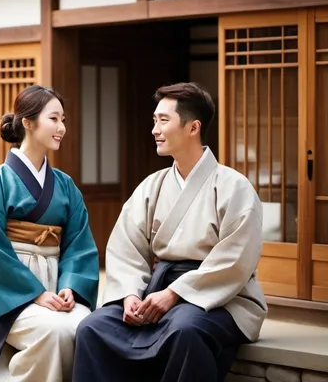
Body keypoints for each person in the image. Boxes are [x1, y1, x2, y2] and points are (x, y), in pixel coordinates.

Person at [72, 82, 267, 382]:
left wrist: (176, 293)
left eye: (164, 120)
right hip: (156, 289)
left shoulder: (234, 187)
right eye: (154, 121)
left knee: (185, 330)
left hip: (221, 297)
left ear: (193, 128)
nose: (155, 130)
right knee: (93, 328)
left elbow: (236, 260)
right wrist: (129, 295)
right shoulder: (153, 185)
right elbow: (127, 247)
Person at [0, 85, 99, 382]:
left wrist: (70, 286)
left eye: (63, 120)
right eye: (54, 119)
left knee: (85, 327)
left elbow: (79, 243)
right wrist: (36, 294)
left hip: (56, 284)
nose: (62, 128)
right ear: (28, 123)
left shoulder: (65, 184)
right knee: (53, 332)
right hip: (7, 290)